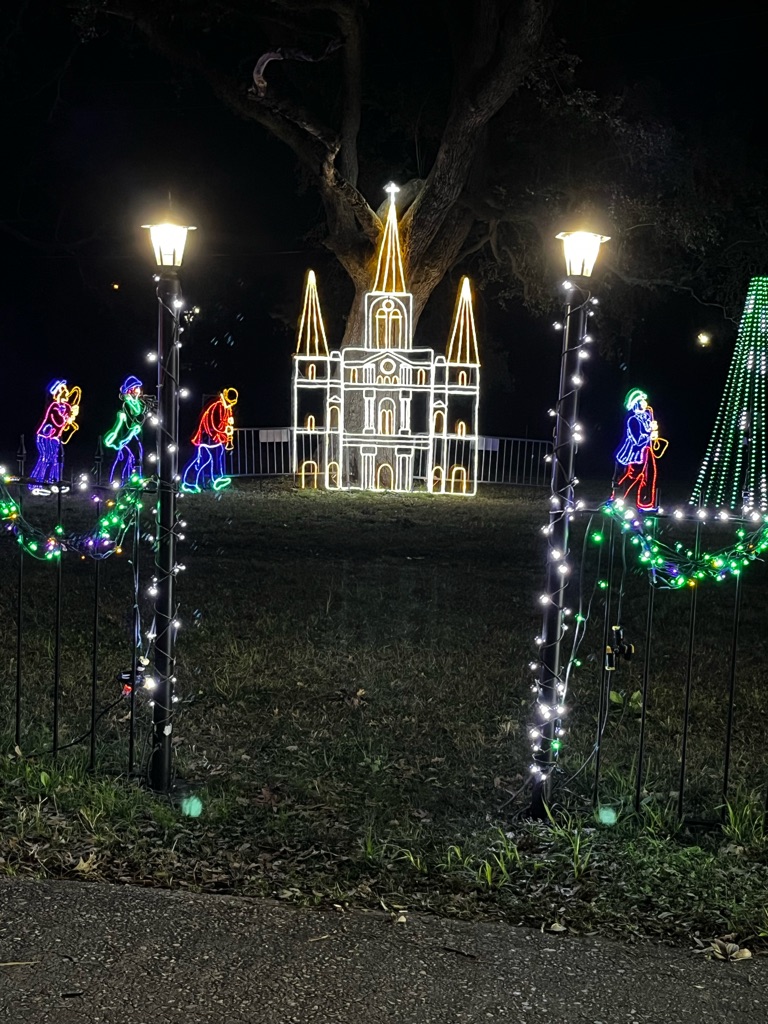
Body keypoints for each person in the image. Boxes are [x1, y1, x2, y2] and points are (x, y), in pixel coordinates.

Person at [614, 388, 668, 511]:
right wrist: (649, 434)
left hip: (647, 451)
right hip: (636, 453)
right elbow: (637, 440)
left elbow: (649, 434)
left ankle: (645, 504)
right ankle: (617, 497)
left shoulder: (647, 416)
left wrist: (654, 430)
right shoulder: (632, 419)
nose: (645, 403)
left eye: (645, 401)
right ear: (635, 403)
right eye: (641, 401)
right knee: (633, 475)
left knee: (649, 476)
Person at [180, 388, 238, 492]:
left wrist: (227, 430)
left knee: (216, 457)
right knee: (202, 460)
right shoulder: (216, 405)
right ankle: (189, 482)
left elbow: (224, 423)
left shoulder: (226, 407)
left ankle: (216, 479)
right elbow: (213, 425)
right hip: (206, 438)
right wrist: (224, 430)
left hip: (215, 438)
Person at [30, 379, 81, 493]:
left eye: (65, 390)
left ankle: (55, 482)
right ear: (57, 393)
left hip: (55, 437)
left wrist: (72, 415)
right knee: (45, 457)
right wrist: (69, 417)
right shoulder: (54, 406)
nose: (66, 392)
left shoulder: (66, 406)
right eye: (62, 390)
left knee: (56, 459)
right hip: (44, 437)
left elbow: (65, 427)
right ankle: (36, 484)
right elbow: (58, 422)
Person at [103, 375, 148, 486]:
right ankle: (116, 480)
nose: (138, 390)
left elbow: (139, 417)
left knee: (135, 456)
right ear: (130, 390)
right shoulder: (127, 404)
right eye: (136, 388)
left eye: (138, 388)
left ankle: (132, 479)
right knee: (124, 457)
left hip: (134, 434)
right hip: (125, 434)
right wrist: (137, 422)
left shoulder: (137, 403)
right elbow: (133, 418)